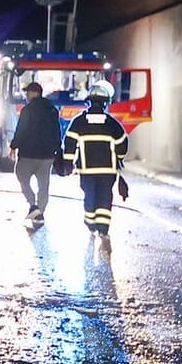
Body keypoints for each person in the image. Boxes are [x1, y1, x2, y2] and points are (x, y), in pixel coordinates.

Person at [62, 79, 127, 243]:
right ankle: (103, 229)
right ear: (106, 104)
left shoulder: (79, 121)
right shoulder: (112, 123)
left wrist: (68, 163)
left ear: (88, 102)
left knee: (89, 196)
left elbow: (69, 143)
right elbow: (122, 143)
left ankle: (90, 223)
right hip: (108, 171)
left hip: (87, 170)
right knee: (105, 198)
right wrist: (119, 158)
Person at [9, 80, 61, 226]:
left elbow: (21, 130)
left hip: (28, 154)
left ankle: (33, 205)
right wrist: (58, 149)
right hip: (47, 155)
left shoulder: (28, 110)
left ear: (34, 93)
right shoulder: (52, 110)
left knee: (21, 176)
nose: (26, 95)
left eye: (28, 92)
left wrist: (13, 146)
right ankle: (40, 212)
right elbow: (57, 132)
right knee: (43, 185)